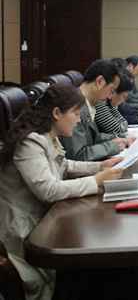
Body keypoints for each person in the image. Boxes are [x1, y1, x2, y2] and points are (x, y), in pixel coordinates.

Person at [0, 84, 123, 300]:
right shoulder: (31, 141)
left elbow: (64, 165)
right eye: (75, 113)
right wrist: (95, 181)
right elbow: (48, 190)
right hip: (22, 233)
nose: (79, 119)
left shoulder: (48, 133)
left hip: (42, 220)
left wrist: (100, 166)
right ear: (57, 113)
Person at [60, 59, 130, 161]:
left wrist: (120, 139)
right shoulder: (74, 107)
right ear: (100, 82)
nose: (110, 97)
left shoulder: (86, 103)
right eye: (111, 90)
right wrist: (113, 146)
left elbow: (92, 138)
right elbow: (78, 155)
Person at [95, 67, 138, 136]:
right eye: (112, 90)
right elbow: (118, 128)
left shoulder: (107, 103)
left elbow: (123, 122)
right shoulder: (99, 103)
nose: (110, 96)